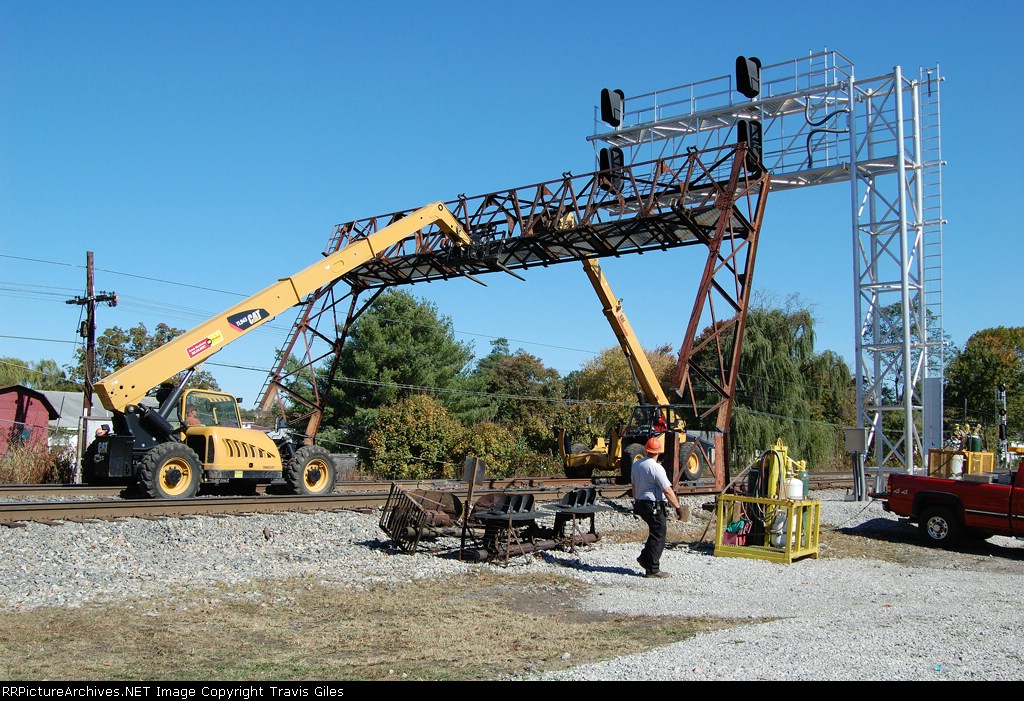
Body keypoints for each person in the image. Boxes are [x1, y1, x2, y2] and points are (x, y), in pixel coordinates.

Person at [631, 435, 686, 578]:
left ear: (646, 450)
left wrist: (636, 501)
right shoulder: (656, 468)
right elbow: (667, 489)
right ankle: (652, 568)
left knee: (655, 532)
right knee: (659, 534)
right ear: (659, 451)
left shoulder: (636, 464)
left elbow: (634, 485)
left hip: (641, 502)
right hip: (653, 504)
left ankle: (645, 558)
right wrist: (678, 507)